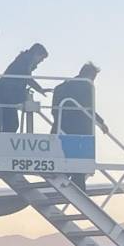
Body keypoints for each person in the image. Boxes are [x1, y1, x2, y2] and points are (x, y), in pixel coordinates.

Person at [50, 62, 109, 191]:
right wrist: (101, 123)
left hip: (60, 131)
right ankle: (79, 194)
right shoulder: (85, 86)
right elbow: (88, 109)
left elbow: (54, 111)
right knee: (78, 170)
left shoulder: (61, 87)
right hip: (79, 133)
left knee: (64, 166)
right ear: (91, 75)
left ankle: (65, 187)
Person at [0, 43, 49, 132]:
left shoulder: (23, 60)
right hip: (6, 95)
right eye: (41, 58)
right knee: (12, 124)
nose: (41, 61)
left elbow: (24, 78)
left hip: (5, 94)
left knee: (10, 123)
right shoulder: (24, 62)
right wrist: (39, 89)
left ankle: (4, 136)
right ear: (36, 54)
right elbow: (27, 78)